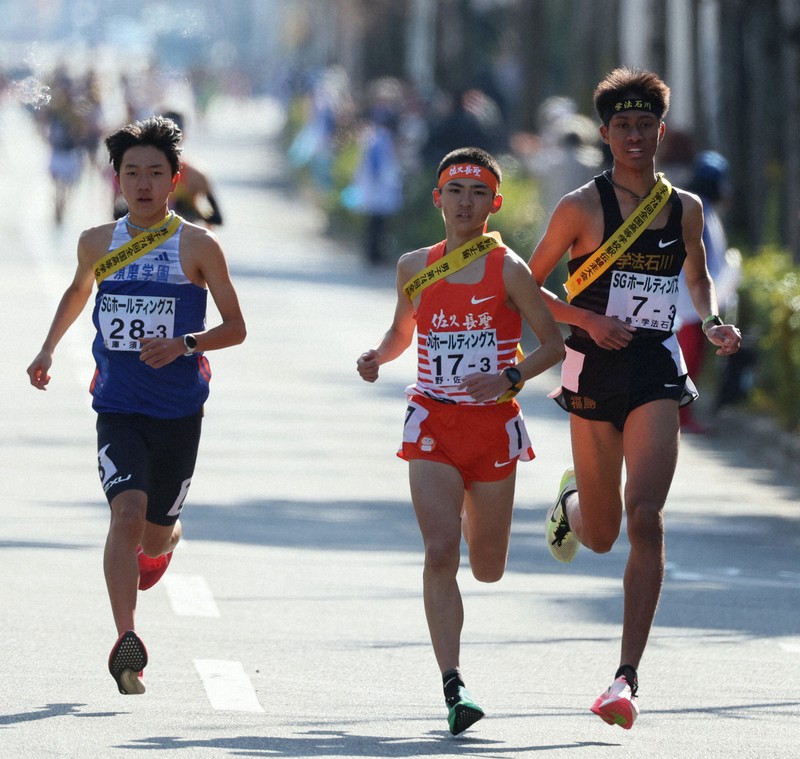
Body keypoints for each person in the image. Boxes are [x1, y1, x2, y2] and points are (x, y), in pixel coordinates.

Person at [528, 68, 741, 729]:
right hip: (592, 369)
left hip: (654, 368)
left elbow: (698, 281)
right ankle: (570, 502)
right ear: (605, 133)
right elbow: (525, 286)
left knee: (645, 516)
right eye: (623, 125)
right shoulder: (580, 207)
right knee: (600, 536)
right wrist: (587, 321)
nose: (635, 136)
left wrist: (712, 322)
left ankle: (625, 678)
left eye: (645, 124)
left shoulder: (685, 208)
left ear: (661, 130)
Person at [26, 115, 246, 695]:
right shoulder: (97, 242)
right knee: (125, 515)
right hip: (117, 405)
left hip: (179, 411)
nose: (143, 184)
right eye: (131, 173)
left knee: (153, 535)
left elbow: (237, 327)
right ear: (116, 179)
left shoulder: (198, 246)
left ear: (175, 179)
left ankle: (164, 543)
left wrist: (184, 343)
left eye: (154, 173)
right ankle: (127, 639)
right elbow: (79, 290)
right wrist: (48, 348)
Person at [357, 147, 563, 735]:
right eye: (455, 191)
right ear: (438, 199)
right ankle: (454, 684)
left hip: (492, 427)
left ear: (494, 203)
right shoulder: (413, 266)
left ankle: (557, 507)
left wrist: (509, 376)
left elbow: (552, 344)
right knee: (440, 551)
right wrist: (378, 356)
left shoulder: (508, 269)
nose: (465, 203)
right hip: (432, 422)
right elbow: (402, 331)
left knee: (488, 568)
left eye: (477, 193)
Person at [675, 151, 741, 432]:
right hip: (690, 305)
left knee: (687, 362)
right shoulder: (699, 210)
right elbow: (705, 265)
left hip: (688, 303)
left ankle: (682, 415)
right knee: (687, 363)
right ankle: (680, 417)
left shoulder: (699, 207)